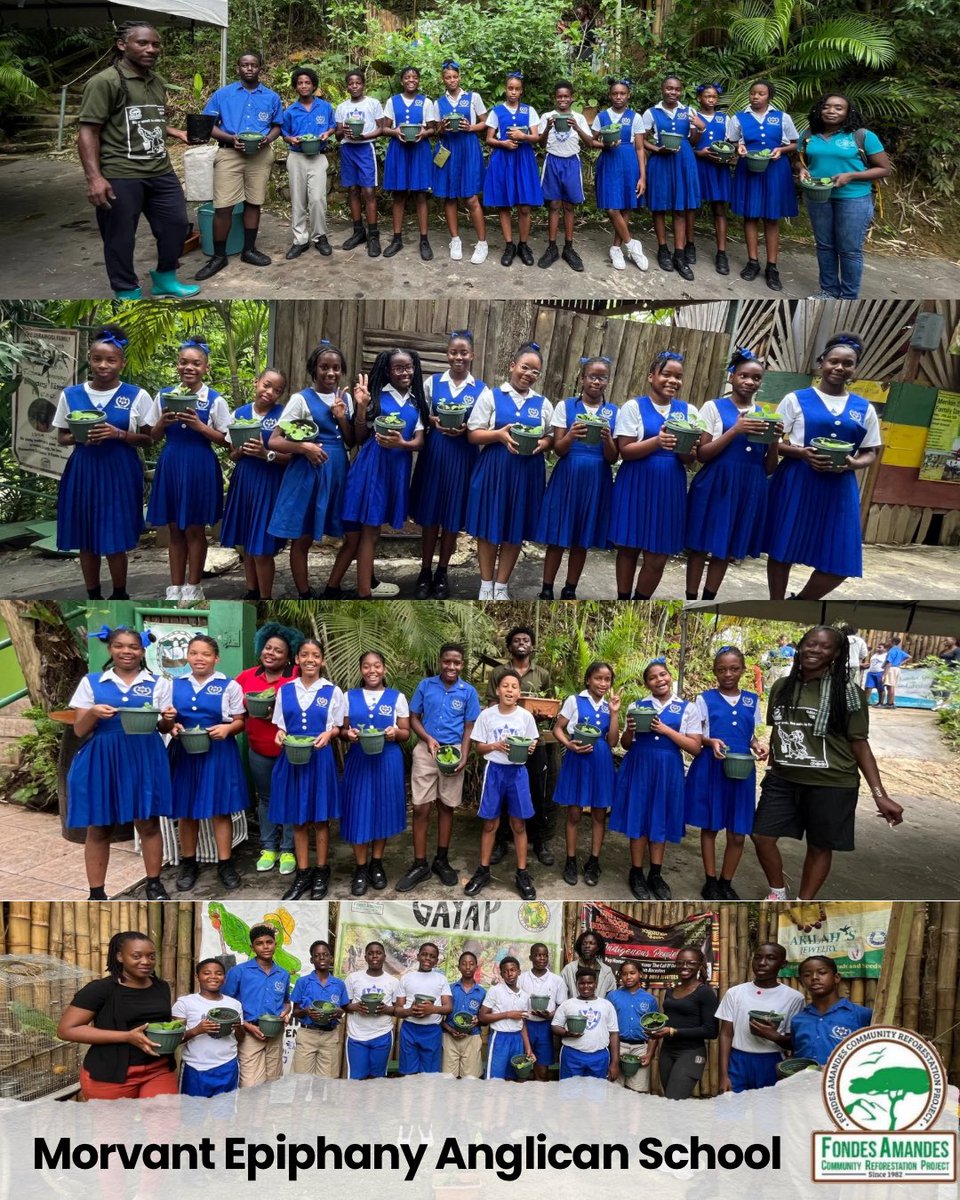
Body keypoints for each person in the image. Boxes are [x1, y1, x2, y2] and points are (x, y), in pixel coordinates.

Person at [752, 625, 904, 901]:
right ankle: (778, 891)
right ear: (801, 646)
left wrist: (880, 795)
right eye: (811, 643)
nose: (815, 650)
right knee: (761, 835)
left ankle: (803, 901)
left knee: (820, 845)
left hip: (832, 783)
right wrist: (772, 765)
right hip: (783, 780)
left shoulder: (848, 693)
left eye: (825, 646)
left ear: (836, 654)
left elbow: (859, 743)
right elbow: (780, 729)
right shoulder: (782, 687)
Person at [77, 22, 196, 300]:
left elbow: (146, 117)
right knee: (119, 237)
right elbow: (88, 130)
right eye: (142, 43)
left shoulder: (156, 82)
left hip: (160, 169)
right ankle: (126, 289)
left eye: (155, 44)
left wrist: (174, 131)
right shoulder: (104, 82)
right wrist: (94, 177)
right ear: (122, 45)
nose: (150, 49)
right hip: (121, 172)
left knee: (176, 226)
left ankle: (165, 278)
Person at [764, 333, 884, 599]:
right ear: (821, 363)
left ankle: (800, 603)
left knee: (840, 562)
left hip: (839, 487)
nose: (840, 368)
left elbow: (871, 451)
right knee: (783, 548)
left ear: (855, 369)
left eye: (848, 364)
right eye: (834, 361)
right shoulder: (796, 399)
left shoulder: (863, 408)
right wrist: (801, 454)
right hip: (797, 481)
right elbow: (773, 441)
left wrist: (853, 463)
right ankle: (777, 603)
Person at [65, 626, 173, 901]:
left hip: (144, 756)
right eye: (120, 646)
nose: (127, 651)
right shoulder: (92, 683)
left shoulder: (159, 683)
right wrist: (93, 712)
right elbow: (79, 730)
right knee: (99, 825)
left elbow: (161, 725)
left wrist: (169, 720)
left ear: (143, 651)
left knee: (148, 823)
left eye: (134, 647)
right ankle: (96, 892)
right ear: (110, 649)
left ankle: (154, 883)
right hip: (104, 758)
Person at [53, 325, 153, 600]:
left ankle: (120, 593)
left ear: (122, 362)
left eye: (111, 359)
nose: (103, 365)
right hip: (84, 470)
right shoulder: (71, 395)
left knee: (115, 537)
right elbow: (61, 436)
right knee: (86, 538)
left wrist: (118, 433)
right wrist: (79, 437)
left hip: (120, 470)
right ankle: (93, 594)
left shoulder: (136, 395)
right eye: (97, 359)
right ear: (89, 358)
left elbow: (148, 439)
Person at [685, 348, 781, 600]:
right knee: (699, 545)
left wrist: (774, 441)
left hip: (749, 487)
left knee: (725, 549)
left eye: (756, 378)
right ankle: (690, 596)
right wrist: (735, 430)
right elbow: (702, 455)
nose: (750, 382)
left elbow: (769, 468)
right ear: (732, 377)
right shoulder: (713, 408)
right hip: (716, 483)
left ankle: (708, 598)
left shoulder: (764, 416)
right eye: (744, 376)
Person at [331, 348, 426, 599]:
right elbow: (360, 438)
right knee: (370, 531)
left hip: (397, 468)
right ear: (387, 371)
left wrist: (402, 445)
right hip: (372, 467)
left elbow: (419, 441)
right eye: (398, 368)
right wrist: (361, 409)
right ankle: (364, 592)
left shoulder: (417, 402)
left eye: (408, 367)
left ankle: (354, 586)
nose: (404, 372)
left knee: (371, 531)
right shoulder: (376, 397)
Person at [608, 351, 701, 600]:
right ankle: (623, 598)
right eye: (666, 374)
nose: (673, 381)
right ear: (652, 377)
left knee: (658, 556)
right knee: (628, 548)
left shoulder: (689, 411)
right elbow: (625, 451)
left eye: (678, 377)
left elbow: (689, 460)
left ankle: (641, 600)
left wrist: (689, 450)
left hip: (670, 487)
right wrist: (657, 442)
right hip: (635, 483)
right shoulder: (633, 407)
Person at [267, 340, 356, 600]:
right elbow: (274, 440)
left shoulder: (345, 398)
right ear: (314, 369)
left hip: (339, 471)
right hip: (309, 473)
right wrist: (305, 447)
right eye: (324, 367)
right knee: (303, 537)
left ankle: (332, 588)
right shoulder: (300, 399)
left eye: (336, 368)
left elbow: (350, 441)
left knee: (352, 535)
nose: (330, 373)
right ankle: (305, 593)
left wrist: (342, 416)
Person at [465, 342, 554, 600]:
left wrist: (542, 444)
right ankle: (485, 584)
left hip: (527, 472)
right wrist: (499, 435)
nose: (529, 374)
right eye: (525, 367)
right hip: (495, 469)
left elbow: (550, 436)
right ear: (512, 366)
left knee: (515, 529)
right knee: (489, 528)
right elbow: (473, 435)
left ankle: (502, 586)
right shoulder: (492, 396)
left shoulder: (542, 403)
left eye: (535, 371)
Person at [146, 337, 230, 607]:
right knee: (174, 528)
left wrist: (199, 426)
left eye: (196, 363)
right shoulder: (164, 396)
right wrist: (162, 421)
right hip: (171, 462)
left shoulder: (213, 400)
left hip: (199, 465)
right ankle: (174, 586)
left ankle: (194, 586)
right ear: (177, 365)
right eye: (184, 362)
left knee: (195, 528)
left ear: (206, 367)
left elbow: (227, 440)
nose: (189, 367)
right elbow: (151, 437)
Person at [611, 658, 702, 900]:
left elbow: (695, 747)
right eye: (653, 677)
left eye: (663, 674)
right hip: (639, 765)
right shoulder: (637, 706)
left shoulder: (687, 708)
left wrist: (665, 730)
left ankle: (657, 874)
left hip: (668, 768)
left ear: (670, 676)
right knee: (639, 818)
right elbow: (626, 744)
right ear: (647, 684)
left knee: (659, 818)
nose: (659, 680)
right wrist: (630, 730)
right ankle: (637, 872)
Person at [409, 329, 487, 598]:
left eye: (464, 352)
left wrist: (466, 427)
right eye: (454, 352)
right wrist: (433, 421)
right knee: (430, 516)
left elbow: (482, 424)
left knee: (452, 519)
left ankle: (443, 573)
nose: (458, 357)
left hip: (464, 454)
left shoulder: (481, 389)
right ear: (447, 354)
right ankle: (425, 571)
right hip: (436, 453)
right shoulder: (433, 383)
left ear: (472, 355)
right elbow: (422, 414)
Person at [685, 647, 765, 901]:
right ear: (714, 671)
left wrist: (756, 744)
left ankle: (726, 881)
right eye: (721, 669)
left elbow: (749, 733)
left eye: (733, 668)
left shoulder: (752, 700)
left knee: (738, 831)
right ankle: (710, 880)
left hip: (742, 770)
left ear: (742, 669)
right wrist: (711, 742)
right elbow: (698, 734)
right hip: (713, 766)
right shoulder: (705, 699)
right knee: (710, 826)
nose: (728, 674)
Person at [399, 644, 481, 892]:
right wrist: (427, 738)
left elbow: (469, 726)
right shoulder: (426, 686)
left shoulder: (468, 692)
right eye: (447, 661)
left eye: (457, 662)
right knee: (421, 807)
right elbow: (413, 717)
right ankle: (420, 863)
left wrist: (464, 755)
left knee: (447, 806)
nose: (451, 667)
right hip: (426, 751)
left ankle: (441, 860)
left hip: (453, 752)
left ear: (462, 665)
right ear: (440, 661)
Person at [269, 638, 345, 901]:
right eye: (305, 655)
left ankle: (322, 871)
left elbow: (338, 726)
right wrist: (280, 734)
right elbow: (280, 725)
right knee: (298, 820)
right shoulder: (285, 690)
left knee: (320, 819)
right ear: (297, 659)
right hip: (291, 758)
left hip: (320, 758)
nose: (310, 659)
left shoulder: (332, 691)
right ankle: (302, 873)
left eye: (315, 655)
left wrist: (331, 733)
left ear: (322, 660)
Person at [58, 931, 179, 1099]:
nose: (146, 961)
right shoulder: (100, 989)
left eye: (151, 956)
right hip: (111, 1074)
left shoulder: (161, 986)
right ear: (120, 957)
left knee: (165, 1124)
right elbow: (66, 1030)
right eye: (137, 956)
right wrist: (126, 1037)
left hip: (158, 1069)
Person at [169, 634, 247, 893]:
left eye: (205, 654)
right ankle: (188, 863)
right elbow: (167, 720)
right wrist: (172, 726)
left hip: (219, 752)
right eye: (194, 653)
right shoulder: (174, 685)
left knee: (220, 809)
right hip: (185, 752)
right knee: (186, 810)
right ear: (187, 656)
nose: (199, 658)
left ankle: (225, 863)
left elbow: (240, 720)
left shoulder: (229, 685)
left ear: (216, 658)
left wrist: (228, 730)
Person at [537, 356, 619, 600]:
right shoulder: (566, 407)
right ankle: (547, 587)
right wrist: (571, 435)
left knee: (582, 539)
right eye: (592, 376)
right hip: (568, 476)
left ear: (607, 381)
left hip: (597, 478)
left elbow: (613, 458)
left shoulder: (614, 412)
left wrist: (607, 439)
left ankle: (570, 588)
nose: (596, 381)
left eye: (601, 377)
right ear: (582, 379)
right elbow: (558, 450)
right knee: (558, 537)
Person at [196, 52, 283, 280]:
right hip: (229, 154)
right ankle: (218, 255)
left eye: (254, 65)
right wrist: (229, 137)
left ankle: (249, 250)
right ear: (238, 68)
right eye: (245, 65)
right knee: (223, 206)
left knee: (254, 202)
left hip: (260, 155)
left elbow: (277, 126)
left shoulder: (271, 97)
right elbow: (208, 125)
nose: (249, 68)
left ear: (260, 68)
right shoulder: (223, 94)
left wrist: (268, 139)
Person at [797, 94, 891, 299]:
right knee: (824, 245)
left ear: (848, 112)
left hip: (853, 198)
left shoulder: (861, 135)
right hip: (819, 197)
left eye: (839, 108)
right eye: (827, 107)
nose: (831, 111)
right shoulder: (808, 134)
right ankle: (829, 291)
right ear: (819, 110)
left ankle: (848, 296)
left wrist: (852, 176)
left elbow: (884, 169)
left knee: (849, 249)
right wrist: (802, 169)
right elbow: (800, 160)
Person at [339, 650, 410, 895]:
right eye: (367, 666)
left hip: (387, 761)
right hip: (359, 760)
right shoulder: (349, 696)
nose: (372, 670)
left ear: (384, 669)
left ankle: (376, 864)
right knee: (359, 810)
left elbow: (406, 732)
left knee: (382, 810)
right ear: (361, 670)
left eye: (377, 666)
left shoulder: (396, 697)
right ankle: (360, 868)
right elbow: (342, 729)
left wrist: (395, 734)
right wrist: (346, 734)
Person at [466, 669, 540, 900]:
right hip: (495, 771)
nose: (509, 690)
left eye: (514, 686)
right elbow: (478, 747)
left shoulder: (525, 717)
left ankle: (522, 873)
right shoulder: (487, 715)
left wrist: (531, 747)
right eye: (505, 686)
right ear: (497, 690)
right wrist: (495, 746)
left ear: (519, 692)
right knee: (490, 823)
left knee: (518, 824)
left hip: (517, 772)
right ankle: (484, 870)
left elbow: (533, 740)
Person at [485, 625, 556, 868]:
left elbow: (549, 704)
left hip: (534, 740)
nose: (522, 643)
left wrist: (544, 714)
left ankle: (540, 840)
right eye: (517, 640)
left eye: (526, 639)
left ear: (532, 645)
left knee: (537, 789)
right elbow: (492, 704)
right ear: (510, 646)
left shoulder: (543, 674)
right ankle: (501, 841)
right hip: (503, 742)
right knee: (502, 791)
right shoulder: (498, 673)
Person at [234, 622, 301, 876]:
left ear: (288, 657)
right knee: (266, 798)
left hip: (291, 751)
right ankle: (269, 847)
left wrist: (280, 712)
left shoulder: (295, 678)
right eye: (268, 648)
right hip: (259, 750)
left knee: (290, 797)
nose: (271, 653)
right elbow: (234, 711)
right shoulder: (245, 677)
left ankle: (288, 849)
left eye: (278, 651)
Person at [219, 367, 290, 601]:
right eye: (267, 385)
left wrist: (265, 453)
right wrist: (239, 451)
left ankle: (265, 597)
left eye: (277, 390)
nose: (270, 392)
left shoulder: (283, 415)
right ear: (256, 382)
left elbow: (291, 458)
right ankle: (252, 590)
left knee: (261, 548)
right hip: (244, 481)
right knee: (247, 544)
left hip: (269, 483)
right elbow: (231, 454)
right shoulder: (239, 413)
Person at [553, 661, 621, 887]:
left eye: (607, 679)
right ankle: (570, 860)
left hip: (601, 759)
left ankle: (594, 861)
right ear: (588, 680)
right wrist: (569, 745)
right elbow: (558, 728)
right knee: (574, 813)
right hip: (577, 759)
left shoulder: (610, 705)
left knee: (599, 814)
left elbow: (612, 741)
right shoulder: (575, 700)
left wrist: (614, 714)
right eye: (598, 678)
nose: (603, 683)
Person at [727, 79, 799, 292]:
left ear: (770, 96)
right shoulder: (739, 118)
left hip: (775, 170)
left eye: (761, 93)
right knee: (750, 216)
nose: (756, 97)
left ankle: (772, 267)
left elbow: (794, 143)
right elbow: (732, 141)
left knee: (771, 218)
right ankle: (752, 262)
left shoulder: (782, 117)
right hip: (748, 168)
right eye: (753, 93)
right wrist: (738, 147)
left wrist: (781, 150)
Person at [715, 943, 805, 1093]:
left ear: (783, 964)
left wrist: (775, 1036)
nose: (762, 963)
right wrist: (723, 1075)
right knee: (729, 1111)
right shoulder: (735, 993)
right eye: (757, 958)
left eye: (770, 958)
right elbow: (725, 1034)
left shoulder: (794, 998)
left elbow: (794, 1042)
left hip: (772, 1061)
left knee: (767, 1113)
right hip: (738, 1060)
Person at [641, 73, 703, 280]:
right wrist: (657, 150)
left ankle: (679, 254)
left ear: (681, 91)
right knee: (659, 207)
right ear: (662, 89)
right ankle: (662, 249)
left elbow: (693, 141)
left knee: (680, 208)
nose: (672, 92)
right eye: (669, 88)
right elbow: (640, 141)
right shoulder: (651, 113)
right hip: (661, 161)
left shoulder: (689, 111)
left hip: (684, 160)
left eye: (676, 89)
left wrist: (699, 129)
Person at [483, 71, 543, 266]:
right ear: (505, 89)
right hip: (503, 159)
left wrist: (522, 137)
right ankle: (509, 245)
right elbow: (489, 138)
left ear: (521, 91)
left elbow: (537, 137)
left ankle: (523, 244)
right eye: (510, 88)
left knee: (524, 206)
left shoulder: (529, 110)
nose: (513, 92)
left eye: (517, 89)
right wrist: (504, 143)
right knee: (504, 204)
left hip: (523, 159)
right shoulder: (497, 111)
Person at [432, 59, 489, 264]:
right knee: (449, 196)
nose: (452, 80)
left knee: (471, 197)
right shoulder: (438, 103)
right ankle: (455, 240)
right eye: (448, 77)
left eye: (455, 76)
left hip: (468, 147)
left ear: (460, 77)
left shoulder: (473, 97)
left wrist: (470, 128)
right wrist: (442, 128)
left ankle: (482, 243)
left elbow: (485, 122)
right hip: (447, 149)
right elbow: (435, 130)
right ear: (443, 79)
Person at [223, 924, 292, 1088]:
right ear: (252, 947)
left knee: (271, 1084)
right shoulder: (239, 972)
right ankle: (249, 1115)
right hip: (249, 1035)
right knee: (250, 1086)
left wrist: (285, 1012)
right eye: (260, 943)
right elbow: (226, 1006)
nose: (265, 946)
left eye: (269, 942)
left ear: (275, 944)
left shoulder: (283, 974)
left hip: (275, 1036)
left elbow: (286, 1002)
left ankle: (263, 1115)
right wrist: (247, 1026)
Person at [646, 945, 718, 1100]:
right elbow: (669, 1020)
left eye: (690, 963)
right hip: (667, 1051)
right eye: (680, 962)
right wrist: (656, 1031)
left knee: (674, 1100)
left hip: (690, 1053)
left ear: (699, 965)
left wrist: (672, 1031)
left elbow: (711, 1031)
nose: (684, 966)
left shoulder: (705, 992)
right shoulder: (671, 991)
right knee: (669, 1100)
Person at [591, 77, 647, 272]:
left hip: (628, 161)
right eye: (615, 93)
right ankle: (632, 245)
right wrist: (604, 144)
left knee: (625, 208)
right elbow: (592, 140)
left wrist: (642, 177)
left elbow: (640, 148)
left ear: (628, 95)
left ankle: (616, 248)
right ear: (610, 95)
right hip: (608, 162)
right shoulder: (602, 116)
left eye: (622, 93)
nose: (618, 97)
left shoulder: (635, 117)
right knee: (612, 208)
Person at [536, 80, 592, 271]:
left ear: (572, 98)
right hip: (552, 161)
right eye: (559, 96)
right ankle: (552, 248)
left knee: (569, 206)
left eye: (566, 96)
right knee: (553, 204)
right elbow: (541, 144)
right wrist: (547, 128)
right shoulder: (547, 117)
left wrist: (576, 127)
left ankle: (569, 248)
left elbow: (590, 142)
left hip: (571, 162)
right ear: (555, 98)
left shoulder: (579, 117)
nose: (563, 99)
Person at [281, 69, 336, 260]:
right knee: (298, 200)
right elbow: (284, 135)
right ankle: (300, 240)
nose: (304, 86)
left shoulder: (325, 107)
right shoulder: (290, 111)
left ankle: (320, 237)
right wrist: (291, 139)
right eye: (300, 83)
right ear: (296, 86)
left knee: (318, 199)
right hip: (297, 157)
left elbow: (332, 126)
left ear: (314, 85)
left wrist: (327, 133)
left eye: (307, 83)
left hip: (318, 157)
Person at [382, 66, 436, 261]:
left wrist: (425, 132)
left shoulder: (426, 102)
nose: (411, 80)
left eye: (414, 77)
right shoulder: (392, 101)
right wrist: (395, 132)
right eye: (407, 77)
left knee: (421, 195)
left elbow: (432, 128)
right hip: (399, 150)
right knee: (399, 195)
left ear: (419, 81)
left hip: (419, 151)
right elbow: (384, 129)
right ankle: (396, 239)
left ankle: (424, 240)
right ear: (402, 81)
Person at [172, 958, 243, 1097]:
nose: (213, 977)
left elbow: (241, 1038)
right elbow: (175, 1039)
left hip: (227, 1066)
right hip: (194, 1067)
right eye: (207, 973)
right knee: (193, 1115)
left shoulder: (234, 1004)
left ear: (224, 978)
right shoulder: (185, 1003)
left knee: (224, 1116)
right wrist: (197, 1030)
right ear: (197, 977)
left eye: (218, 973)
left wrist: (238, 1027)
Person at [335, 69, 384, 257]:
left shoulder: (372, 103)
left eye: (358, 83)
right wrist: (344, 131)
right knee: (353, 190)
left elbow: (381, 129)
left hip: (365, 149)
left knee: (369, 191)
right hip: (348, 149)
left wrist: (364, 135)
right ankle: (358, 231)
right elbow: (338, 134)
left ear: (363, 85)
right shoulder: (342, 107)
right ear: (347, 86)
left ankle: (373, 235)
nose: (354, 86)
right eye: (351, 83)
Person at [789, 955, 872, 1065]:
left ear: (836, 977)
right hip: (804, 1080)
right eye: (807, 975)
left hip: (843, 1080)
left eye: (822, 972)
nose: (814, 978)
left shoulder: (862, 1015)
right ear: (801, 982)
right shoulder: (798, 1020)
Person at [688, 83, 732, 275]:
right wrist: (700, 134)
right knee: (691, 207)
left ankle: (721, 252)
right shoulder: (693, 117)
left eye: (714, 97)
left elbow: (731, 142)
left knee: (719, 209)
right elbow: (689, 144)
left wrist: (729, 154)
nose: (711, 100)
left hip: (718, 168)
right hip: (698, 166)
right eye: (707, 96)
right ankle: (690, 245)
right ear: (699, 98)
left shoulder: (725, 118)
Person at [343, 941, 402, 1079]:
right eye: (370, 953)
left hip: (382, 1035)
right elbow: (344, 1005)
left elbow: (398, 1009)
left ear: (384, 957)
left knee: (378, 1080)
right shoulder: (353, 978)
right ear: (365, 957)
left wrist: (386, 1009)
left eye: (378, 953)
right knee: (356, 1080)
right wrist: (356, 1007)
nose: (374, 956)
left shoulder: (393, 982)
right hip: (357, 1036)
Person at [290, 940, 349, 1077]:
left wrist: (339, 1012)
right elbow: (295, 1012)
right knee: (301, 1081)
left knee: (325, 1083)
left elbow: (343, 1010)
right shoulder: (303, 982)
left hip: (330, 1036)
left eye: (325, 954)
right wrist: (307, 1011)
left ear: (331, 958)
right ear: (312, 959)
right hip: (307, 1035)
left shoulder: (339, 984)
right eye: (317, 955)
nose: (322, 958)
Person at [552, 967, 620, 1080]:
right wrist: (567, 1033)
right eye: (582, 983)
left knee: (596, 1093)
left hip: (599, 1056)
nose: (586, 986)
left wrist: (615, 1062)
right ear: (576, 984)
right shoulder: (567, 1004)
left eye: (590, 983)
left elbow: (614, 1034)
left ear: (596, 983)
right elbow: (555, 1026)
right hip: (572, 1055)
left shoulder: (606, 1005)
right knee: (569, 1092)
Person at [396, 942, 453, 1075]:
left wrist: (432, 1009)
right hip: (409, 1029)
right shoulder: (406, 978)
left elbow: (448, 1007)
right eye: (424, 955)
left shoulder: (441, 979)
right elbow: (397, 1010)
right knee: (408, 1073)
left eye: (432, 956)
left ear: (436, 961)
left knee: (429, 1075)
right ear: (418, 956)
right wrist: (409, 1011)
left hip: (432, 1031)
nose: (428, 958)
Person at [480, 956, 534, 1081]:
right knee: (494, 1079)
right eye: (505, 971)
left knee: (514, 1078)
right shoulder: (495, 991)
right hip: (499, 1038)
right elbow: (482, 1017)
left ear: (519, 972)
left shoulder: (525, 996)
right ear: (501, 974)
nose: (509, 974)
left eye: (513, 970)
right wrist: (508, 1014)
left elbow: (522, 1024)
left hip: (517, 1040)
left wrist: (528, 1048)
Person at [607, 961, 658, 1092]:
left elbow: (654, 1030)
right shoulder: (612, 996)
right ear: (620, 976)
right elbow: (606, 1025)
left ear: (640, 974)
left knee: (636, 1093)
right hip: (618, 1047)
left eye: (632, 973)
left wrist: (650, 1053)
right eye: (624, 974)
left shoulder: (649, 999)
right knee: (614, 1090)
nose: (628, 977)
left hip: (640, 1049)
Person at [519, 943, 567, 1081]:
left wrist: (551, 1015)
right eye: (538, 955)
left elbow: (561, 1006)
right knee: (522, 1069)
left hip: (545, 1028)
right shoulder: (521, 979)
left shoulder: (557, 980)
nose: (542, 958)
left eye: (545, 955)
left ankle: (540, 1101)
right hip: (525, 1026)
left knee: (542, 1072)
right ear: (531, 957)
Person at [442, 950, 486, 1079]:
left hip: (472, 1038)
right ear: (458, 967)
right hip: (449, 1037)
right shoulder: (449, 989)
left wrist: (478, 1020)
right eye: (464, 964)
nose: (467, 967)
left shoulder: (482, 992)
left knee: (471, 1080)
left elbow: (485, 1019)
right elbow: (439, 1016)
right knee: (447, 1079)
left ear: (476, 967)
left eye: (471, 964)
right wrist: (450, 1029)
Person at [561, 930, 616, 998]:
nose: (587, 946)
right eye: (584, 943)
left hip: (598, 1008)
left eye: (591, 943)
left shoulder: (606, 971)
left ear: (598, 947)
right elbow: (561, 994)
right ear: (580, 947)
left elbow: (611, 996)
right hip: (574, 1007)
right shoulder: (569, 969)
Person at [881, 636, 910, 708]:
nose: (888, 642)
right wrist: (900, 662)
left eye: (889, 641)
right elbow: (909, 656)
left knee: (890, 686)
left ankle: (889, 703)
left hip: (891, 669)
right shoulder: (899, 650)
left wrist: (884, 675)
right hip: (897, 668)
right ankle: (891, 703)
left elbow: (889, 663)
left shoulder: (892, 651)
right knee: (891, 686)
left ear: (893, 642)